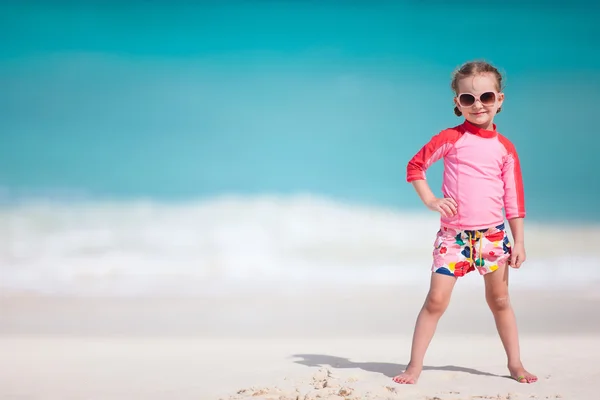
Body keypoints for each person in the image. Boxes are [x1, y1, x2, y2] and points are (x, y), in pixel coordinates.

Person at [392, 60, 538, 385]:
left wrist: (520, 242)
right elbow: (415, 166)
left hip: (493, 239)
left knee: (500, 300)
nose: (478, 105)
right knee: (435, 301)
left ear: (499, 100)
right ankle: (415, 366)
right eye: (468, 99)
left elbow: (514, 200)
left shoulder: (505, 149)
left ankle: (515, 364)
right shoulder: (450, 138)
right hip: (453, 239)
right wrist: (431, 200)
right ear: (457, 103)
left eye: (486, 97)